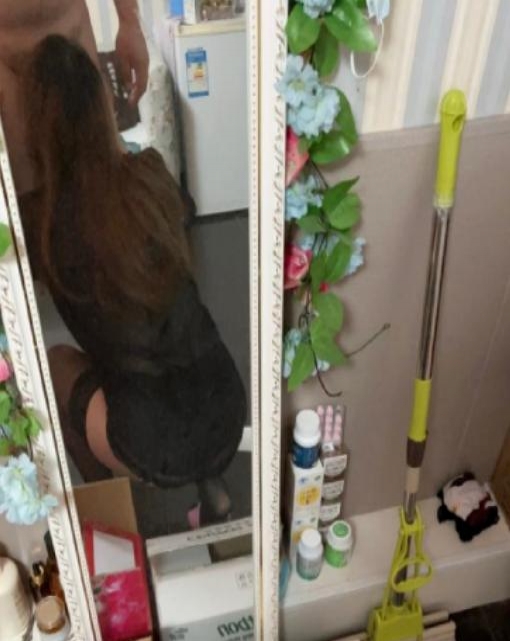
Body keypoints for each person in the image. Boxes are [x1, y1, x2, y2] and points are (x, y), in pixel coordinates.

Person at [23, 35, 246, 524]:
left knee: (57, 362)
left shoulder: (42, 223)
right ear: (102, 107)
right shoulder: (150, 173)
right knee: (154, 339)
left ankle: (112, 506)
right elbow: (183, 216)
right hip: (226, 403)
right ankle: (210, 483)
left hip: (149, 441)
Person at [0, 0, 149, 196]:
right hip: (6, 58)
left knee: (104, 178)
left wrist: (130, 23)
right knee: (29, 191)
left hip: (73, 35)